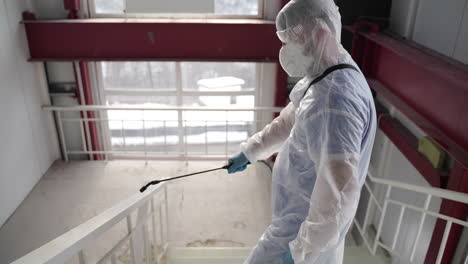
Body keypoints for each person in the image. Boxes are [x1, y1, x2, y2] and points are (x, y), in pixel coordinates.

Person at [227, 0, 377, 263]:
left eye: (293, 38)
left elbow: (338, 193)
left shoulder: (334, 101)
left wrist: (301, 251)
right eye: (284, 40)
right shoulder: (325, 74)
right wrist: (252, 150)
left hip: (302, 237)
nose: (286, 49)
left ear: (320, 33)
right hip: (296, 224)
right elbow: (290, 120)